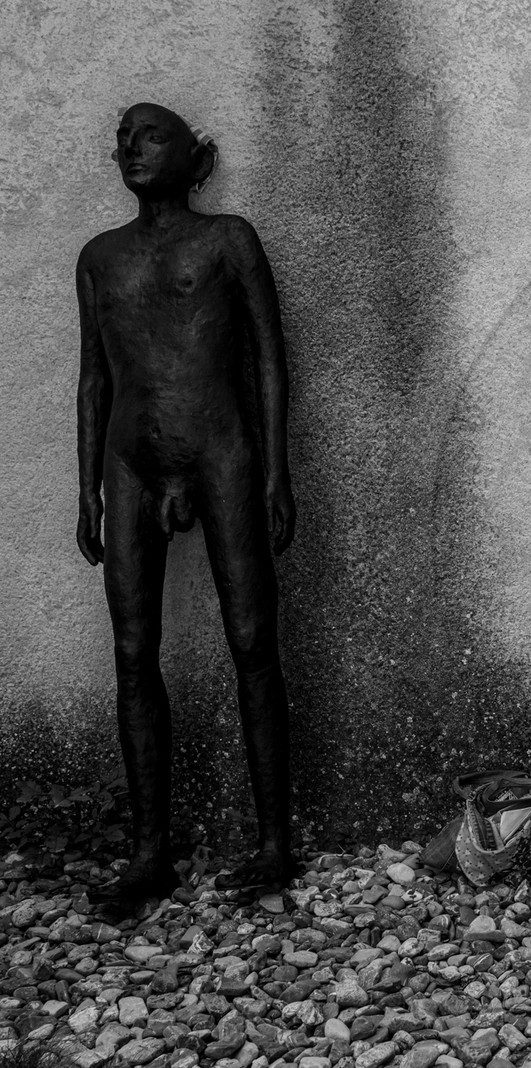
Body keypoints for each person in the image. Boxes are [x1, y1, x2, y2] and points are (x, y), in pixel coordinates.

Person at [76, 103, 297, 904]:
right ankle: (148, 852)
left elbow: (271, 358)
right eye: (123, 139)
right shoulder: (100, 258)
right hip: (131, 464)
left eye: (150, 135)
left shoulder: (228, 240)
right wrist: (85, 490)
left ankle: (275, 842)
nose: (131, 147)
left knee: (252, 639)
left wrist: (276, 472)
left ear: (194, 157)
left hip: (222, 453)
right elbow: (93, 378)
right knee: (133, 652)